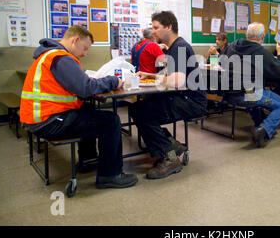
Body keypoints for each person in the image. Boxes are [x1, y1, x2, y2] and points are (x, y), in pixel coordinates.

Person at [19, 26, 137, 189]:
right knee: (110, 121)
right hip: (47, 121)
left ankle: (88, 161)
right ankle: (110, 175)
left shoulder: (48, 55)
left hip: (39, 118)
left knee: (88, 111)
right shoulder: (61, 58)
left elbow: (77, 87)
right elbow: (85, 88)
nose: (84, 54)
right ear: (75, 40)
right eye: (84, 48)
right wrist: (113, 81)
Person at [129, 11, 207, 179]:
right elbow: (169, 77)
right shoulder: (172, 48)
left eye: (156, 27)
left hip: (191, 101)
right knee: (138, 108)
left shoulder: (179, 47)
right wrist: (149, 75)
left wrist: (153, 77)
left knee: (142, 112)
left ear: (169, 27)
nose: (153, 31)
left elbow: (176, 81)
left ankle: (170, 158)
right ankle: (171, 145)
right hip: (181, 96)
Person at [224, 22, 280, 148]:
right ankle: (263, 130)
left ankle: (262, 125)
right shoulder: (262, 52)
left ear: (246, 34)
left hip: (228, 94)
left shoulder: (232, 46)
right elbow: (279, 72)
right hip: (249, 95)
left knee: (257, 98)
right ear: (263, 37)